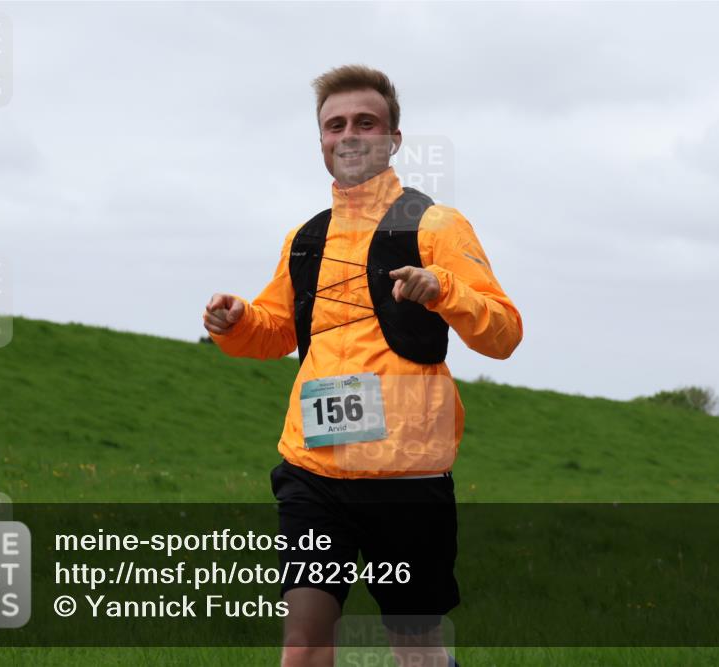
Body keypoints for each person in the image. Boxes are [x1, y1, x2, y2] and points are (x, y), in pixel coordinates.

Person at [203, 64, 522, 667]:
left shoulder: (436, 225)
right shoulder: (305, 237)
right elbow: (276, 332)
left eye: (365, 122)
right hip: (312, 471)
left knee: (415, 650)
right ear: (321, 141)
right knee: (303, 640)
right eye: (335, 125)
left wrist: (443, 290)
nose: (348, 135)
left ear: (393, 139)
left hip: (407, 479)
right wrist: (237, 320)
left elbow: (504, 332)